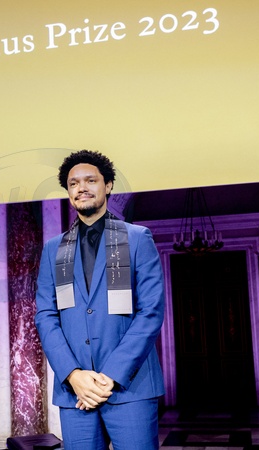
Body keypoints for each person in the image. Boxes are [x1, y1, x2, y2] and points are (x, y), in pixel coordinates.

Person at [34, 150, 165, 449]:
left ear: (108, 185)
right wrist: (73, 375)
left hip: (129, 387)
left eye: (90, 180)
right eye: (73, 183)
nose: (81, 188)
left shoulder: (137, 238)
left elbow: (150, 311)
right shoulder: (54, 249)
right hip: (75, 391)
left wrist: (111, 375)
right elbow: (45, 315)